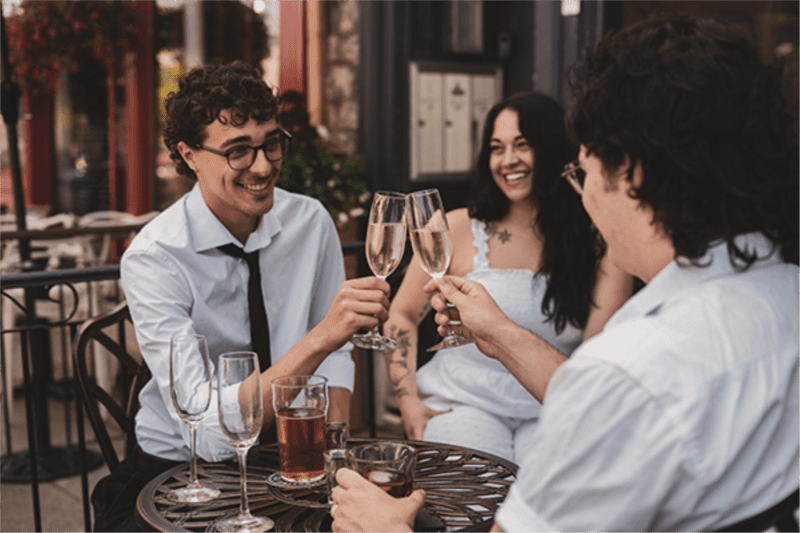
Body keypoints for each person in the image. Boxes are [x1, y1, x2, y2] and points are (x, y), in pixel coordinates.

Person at [331, 15, 799, 532]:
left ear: (632, 174)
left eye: (584, 171)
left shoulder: (625, 375)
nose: (585, 196)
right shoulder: (787, 295)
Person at [92, 62, 391, 533]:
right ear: (190, 155)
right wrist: (320, 339)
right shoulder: (155, 256)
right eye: (238, 151)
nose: (263, 166)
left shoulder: (309, 222)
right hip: (180, 471)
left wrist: (332, 454)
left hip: (292, 454)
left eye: (271, 143)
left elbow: (337, 358)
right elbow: (209, 433)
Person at [383, 92, 632, 463]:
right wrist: (408, 403)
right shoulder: (455, 227)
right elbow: (401, 315)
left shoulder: (599, 242)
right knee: (475, 503)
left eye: (522, 145)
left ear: (551, 149)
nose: (507, 160)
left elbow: (594, 359)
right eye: (496, 148)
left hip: (551, 407)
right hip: (461, 402)